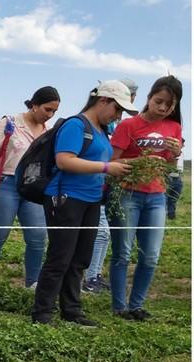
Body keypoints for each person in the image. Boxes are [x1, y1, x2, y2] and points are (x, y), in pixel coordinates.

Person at [32, 80, 135, 326]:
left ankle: (72, 311)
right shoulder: (76, 125)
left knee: (80, 259)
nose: (118, 115)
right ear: (102, 101)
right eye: (117, 109)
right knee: (60, 257)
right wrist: (107, 167)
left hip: (91, 200)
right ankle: (42, 313)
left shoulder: (102, 130)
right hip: (66, 198)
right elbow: (65, 160)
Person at [108, 75, 183, 321]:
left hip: (157, 197)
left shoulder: (174, 128)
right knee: (123, 253)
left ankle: (137, 305)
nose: (162, 108)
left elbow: (168, 165)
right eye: (158, 101)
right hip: (127, 194)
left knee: (150, 256)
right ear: (149, 98)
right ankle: (120, 307)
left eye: (169, 105)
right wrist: (140, 161)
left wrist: (175, 154)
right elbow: (111, 162)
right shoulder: (128, 126)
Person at [0, 86, 60, 288]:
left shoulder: (48, 131)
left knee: (37, 237)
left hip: (33, 188)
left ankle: (33, 283)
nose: (49, 115)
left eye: (54, 112)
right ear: (34, 105)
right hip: (7, 184)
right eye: (47, 109)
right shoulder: (10, 123)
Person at [83, 78, 139, 294]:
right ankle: (90, 277)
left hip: (106, 186)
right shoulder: (96, 124)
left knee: (103, 234)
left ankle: (94, 274)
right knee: (101, 233)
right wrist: (109, 167)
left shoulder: (110, 123)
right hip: (97, 186)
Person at [165, 139, 184, 220]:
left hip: (178, 177)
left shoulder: (181, 154)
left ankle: (171, 216)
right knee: (165, 198)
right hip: (169, 177)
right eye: (182, 144)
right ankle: (163, 216)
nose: (183, 145)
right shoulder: (170, 153)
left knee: (174, 198)